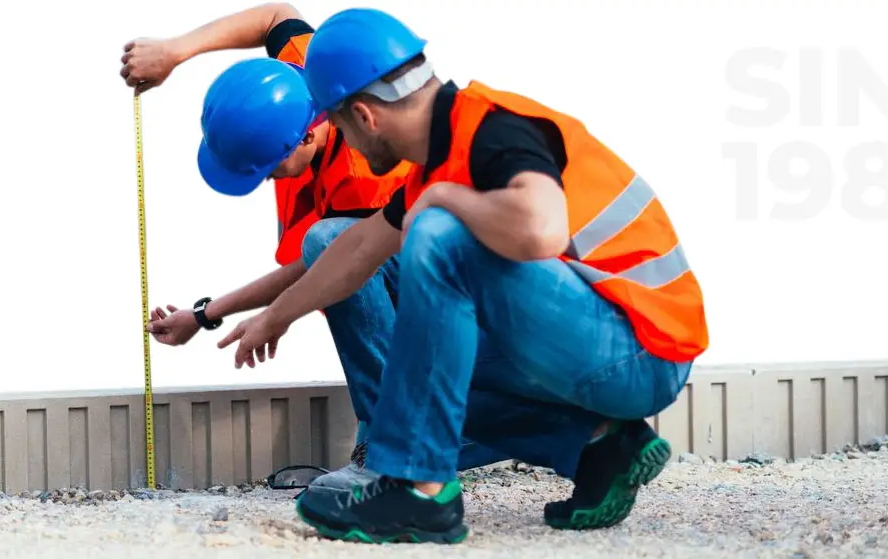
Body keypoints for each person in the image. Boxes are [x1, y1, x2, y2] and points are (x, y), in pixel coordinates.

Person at [218, 7, 710, 544]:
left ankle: (419, 491)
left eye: (335, 125)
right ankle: (598, 447)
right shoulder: (444, 155)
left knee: (438, 233)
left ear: (365, 116)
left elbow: (542, 230)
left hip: (640, 353)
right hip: (595, 338)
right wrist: (274, 318)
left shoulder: (491, 132)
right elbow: (356, 250)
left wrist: (444, 200)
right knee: (388, 314)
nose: (343, 146)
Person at [118, 3, 506, 495]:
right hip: (423, 286)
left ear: (306, 135)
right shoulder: (305, 74)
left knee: (328, 242)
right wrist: (177, 51)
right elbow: (276, 15)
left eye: (268, 168)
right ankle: (393, 435)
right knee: (328, 243)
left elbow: (333, 264)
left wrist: (220, 313)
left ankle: (405, 446)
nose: (265, 182)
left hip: (464, 300)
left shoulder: (371, 170)